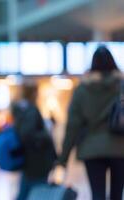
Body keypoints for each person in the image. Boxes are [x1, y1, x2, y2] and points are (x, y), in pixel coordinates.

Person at [58, 46, 124, 200]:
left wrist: (63, 159)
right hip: (120, 148)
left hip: (91, 149)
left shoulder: (83, 89)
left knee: (97, 194)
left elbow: (73, 126)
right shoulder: (121, 87)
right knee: (117, 195)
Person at [12, 85, 57, 200]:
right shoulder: (31, 110)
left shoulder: (20, 110)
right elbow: (27, 134)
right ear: (33, 93)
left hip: (28, 159)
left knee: (25, 191)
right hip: (37, 160)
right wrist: (45, 135)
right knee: (38, 192)